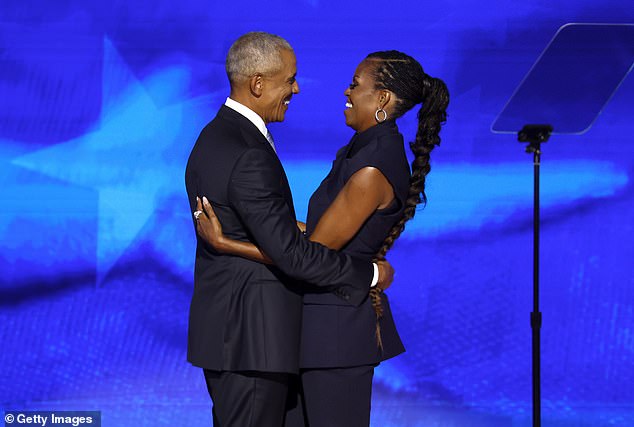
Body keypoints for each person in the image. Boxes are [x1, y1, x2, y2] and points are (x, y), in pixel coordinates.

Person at [195, 50, 450, 426]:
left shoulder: (372, 166)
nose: (346, 92)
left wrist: (226, 243)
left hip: (337, 337)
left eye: (355, 85)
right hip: (315, 332)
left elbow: (307, 253)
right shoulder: (358, 151)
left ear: (382, 99)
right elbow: (314, 234)